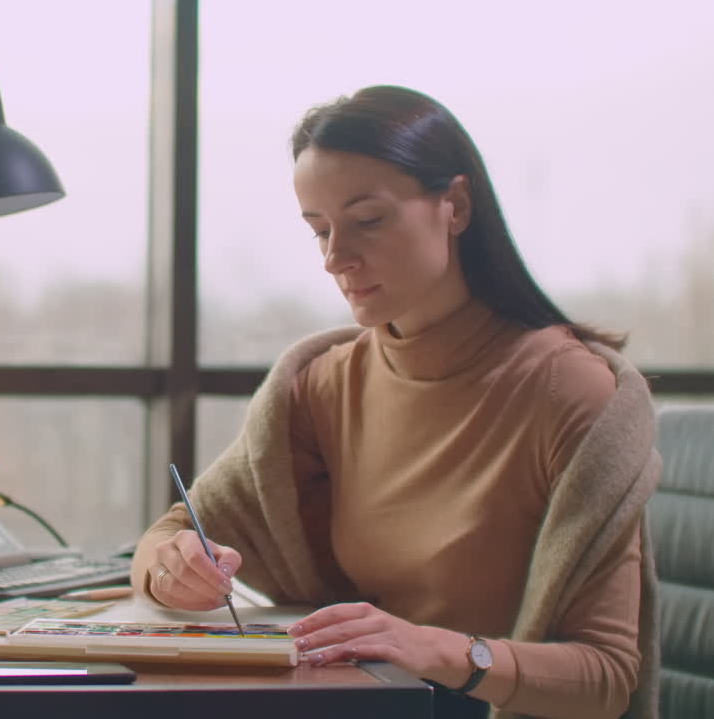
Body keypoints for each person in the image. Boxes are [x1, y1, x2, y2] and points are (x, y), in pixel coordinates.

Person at [130, 86, 661, 719]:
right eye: (319, 229)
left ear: (455, 205)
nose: (335, 258)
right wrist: (173, 569)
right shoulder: (322, 385)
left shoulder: (568, 390)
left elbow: (604, 676)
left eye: (367, 220)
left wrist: (441, 651)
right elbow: (170, 533)